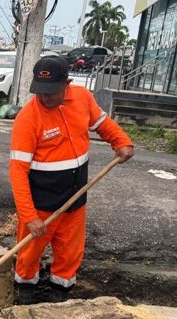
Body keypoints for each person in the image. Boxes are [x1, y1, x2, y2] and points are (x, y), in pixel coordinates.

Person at [9, 56, 134, 304]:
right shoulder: (27, 118)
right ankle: (24, 296)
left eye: (51, 92)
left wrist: (121, 142)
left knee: (69, 252)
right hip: (41, 203)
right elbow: (17, 172)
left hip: (75, 196)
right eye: (40, 92)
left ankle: (60, 297)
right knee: (29, 253)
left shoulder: (82, 98)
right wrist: (30, 216)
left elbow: (103, 124)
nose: (44, 98)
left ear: (67, 83)